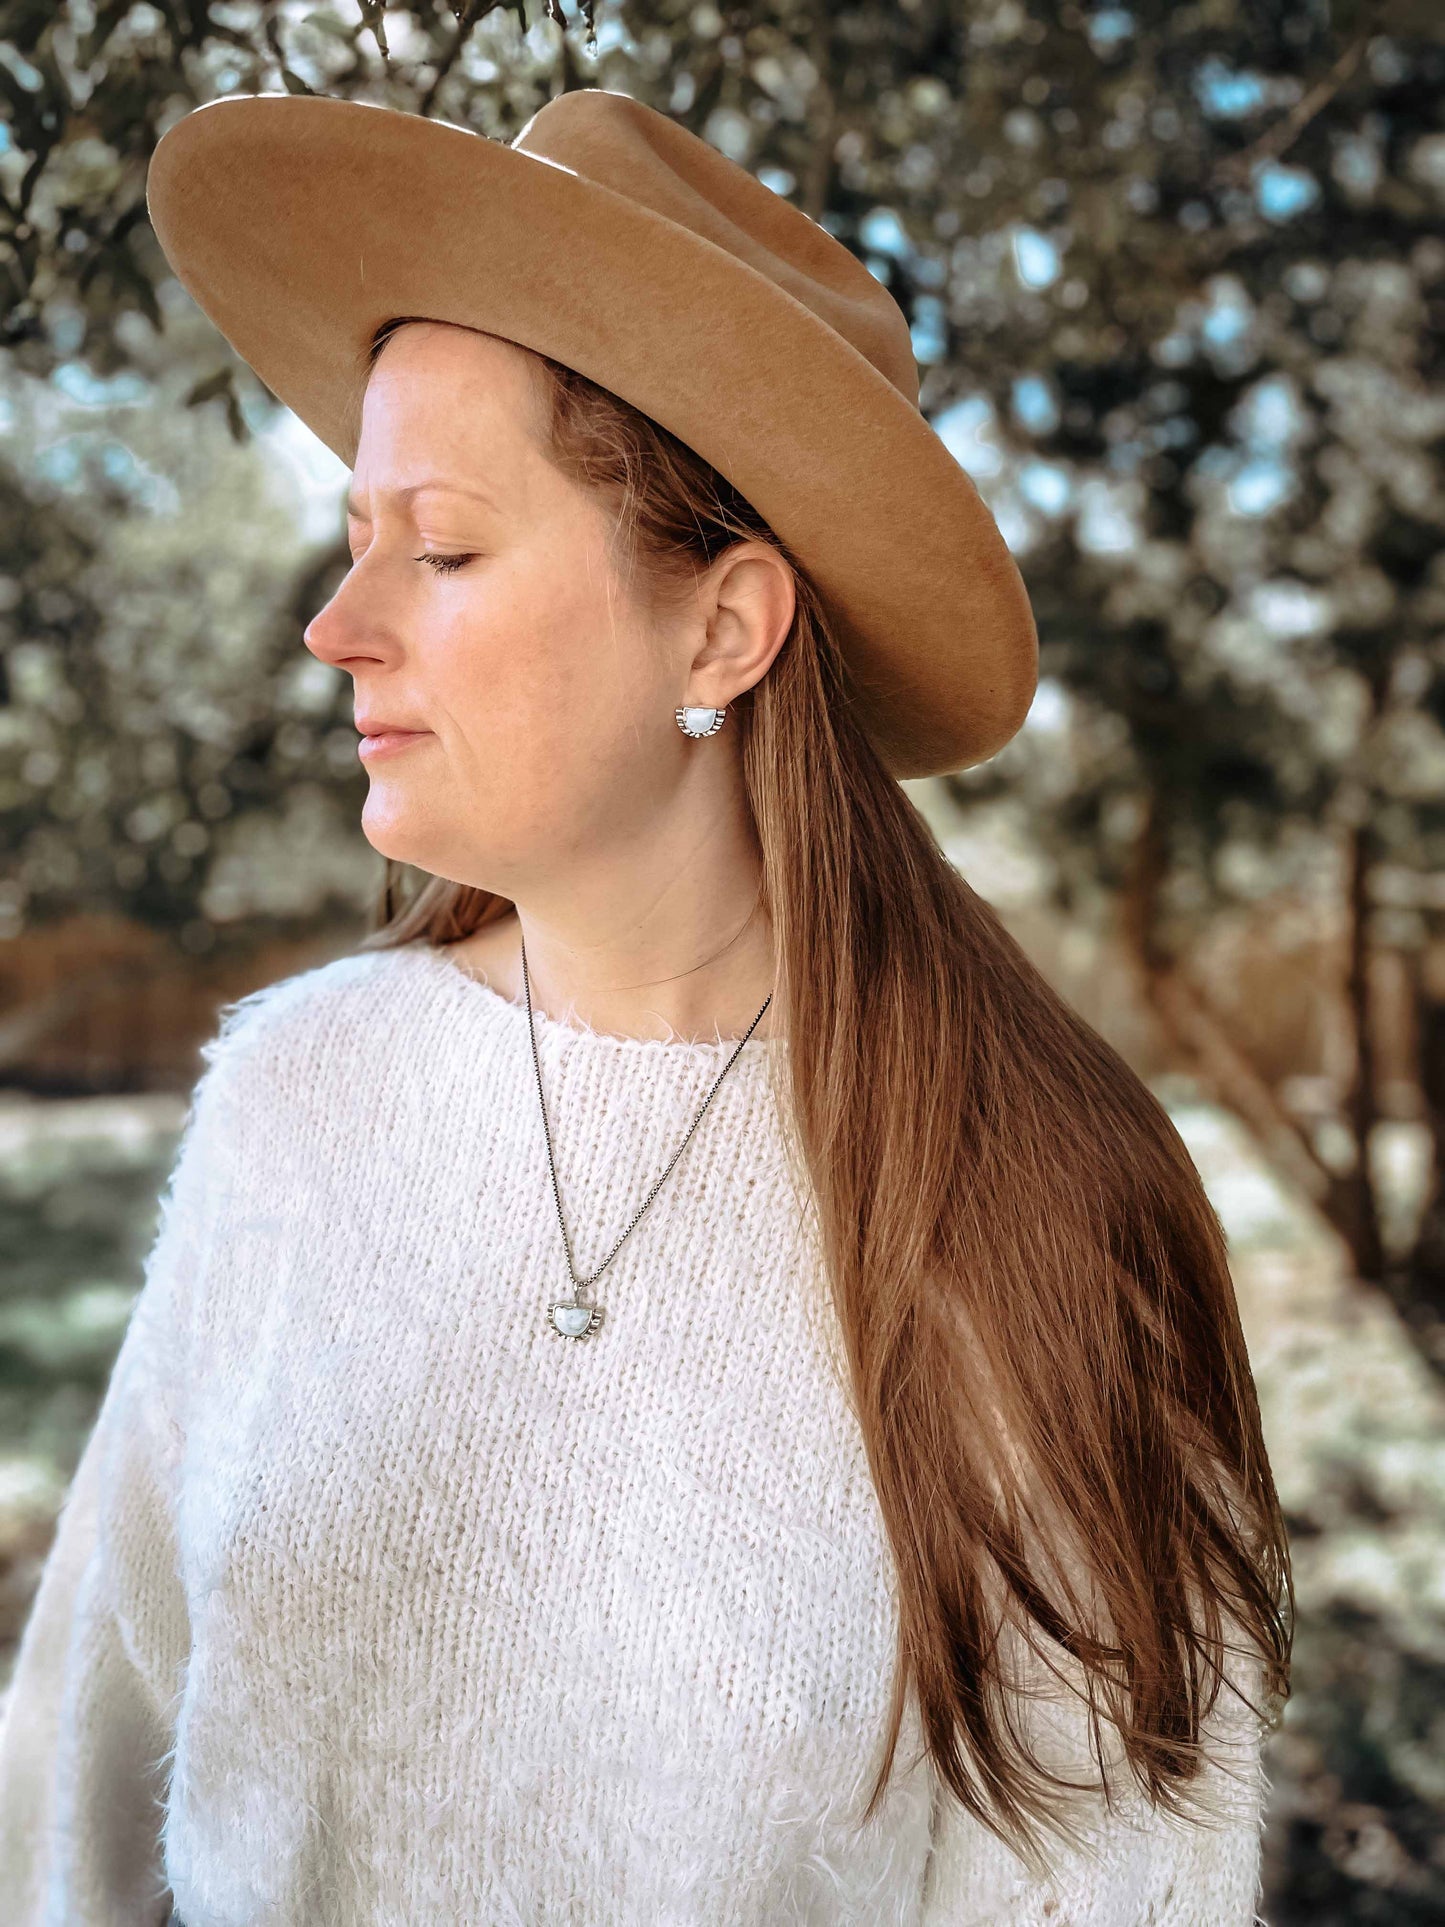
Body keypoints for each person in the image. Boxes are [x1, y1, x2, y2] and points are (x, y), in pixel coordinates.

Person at [0, 87, 1291, 1925]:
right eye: (353, 535)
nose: (335, 624)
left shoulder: (1036, 1221)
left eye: (437, 549)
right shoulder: (295, 1100)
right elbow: (79, 1776)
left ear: (721, 631)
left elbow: (1116, 1883)